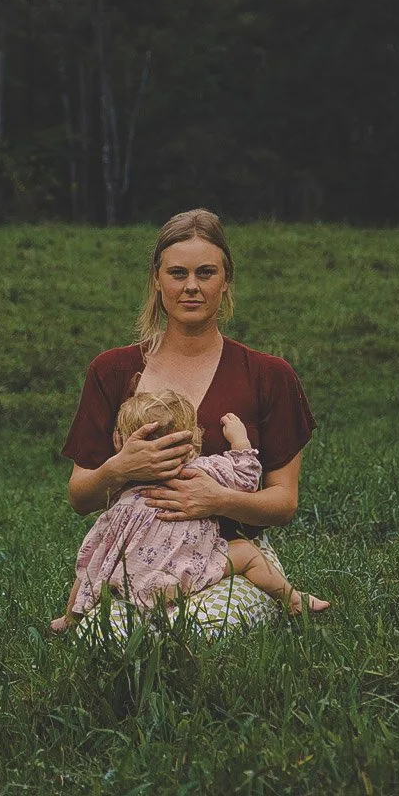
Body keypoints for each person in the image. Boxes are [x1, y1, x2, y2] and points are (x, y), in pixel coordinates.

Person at [59, 208, 329, 632]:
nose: (191, 287)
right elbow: (80, 498)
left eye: (205, 273)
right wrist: (120, 468)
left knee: (194, 632)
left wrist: (219, 500)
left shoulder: (268, 375)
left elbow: (284, 503)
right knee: (103, 639)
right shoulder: (111, 370)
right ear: (157, 279)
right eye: (178, 273)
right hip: (140, 564)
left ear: (226, 281)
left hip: (228, 558)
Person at [50, 389, 318, 633]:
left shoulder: (126, 486)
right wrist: (240, 440)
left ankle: (70, 619)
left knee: (92, 563)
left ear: (121, 442)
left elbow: (94, 544)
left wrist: (119, 462)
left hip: (131, 581)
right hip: (185, 576)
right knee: (248, 555)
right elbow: (247, 478)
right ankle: (292, 599)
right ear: (195, 440)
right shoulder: (201, 471)